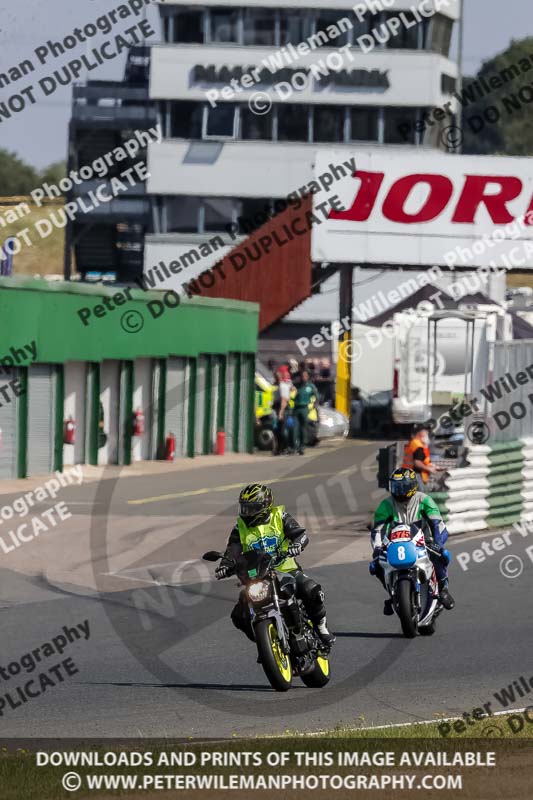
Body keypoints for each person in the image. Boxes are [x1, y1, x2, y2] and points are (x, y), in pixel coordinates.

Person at [216, 484, 336, 646]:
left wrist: (297, 544)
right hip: (257, 576)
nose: (246, 512)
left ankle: (321, 628)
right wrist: (225, 566)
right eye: (244, 508)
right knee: (239, 616)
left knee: (310, 589)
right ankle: (267, 644)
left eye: (251, 508)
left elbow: (300, 534)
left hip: (286, 569)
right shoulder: (240, 527)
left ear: (264, 506)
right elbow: (232, 550)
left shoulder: (279, 516)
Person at [370, 468, 455, 615]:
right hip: (395, 544)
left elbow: (438, 525)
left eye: (404, 487)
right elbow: (377, 530)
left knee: (442, 555)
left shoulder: (425, 500)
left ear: (413, 486)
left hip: (423, 542)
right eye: (396, 487)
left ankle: (443, 589)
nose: (399, 492)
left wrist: (437, 543)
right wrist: (377, 548)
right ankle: (392, 594)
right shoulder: (386, 505)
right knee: (375, 565)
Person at [293, 370, 318, 455]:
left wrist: (315, 405)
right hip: (296, 409)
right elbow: (291, 395)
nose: (303, 377)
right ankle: (295, 446)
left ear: (307, 377)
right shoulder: (296, 385)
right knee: (295, 428)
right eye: (302, 376)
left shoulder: (310, 386)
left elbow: (316, 396)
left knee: (303, 428)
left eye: (305, 376)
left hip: (305, 409)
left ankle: (302, 447)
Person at [271, 366, 292, 454]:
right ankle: (278, 449)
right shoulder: (275, 385)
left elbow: (284, 400)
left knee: (283, 430)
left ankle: (286, 448)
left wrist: (281, 412)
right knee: (277, 430)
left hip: (283, 410)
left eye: (278, 376)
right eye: (276, 376)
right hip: (276, 408)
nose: (277, 378)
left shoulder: (283, 385)